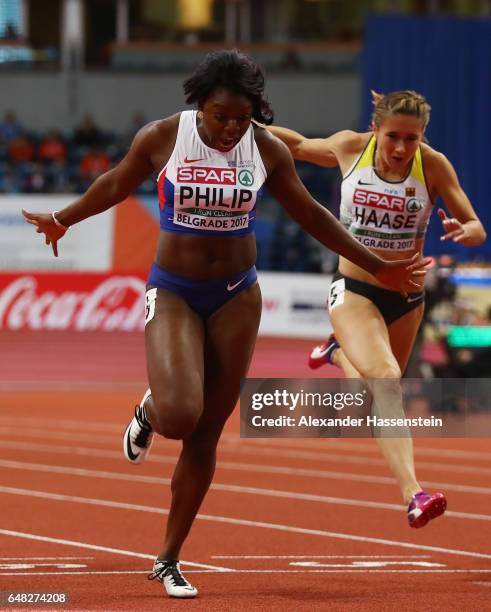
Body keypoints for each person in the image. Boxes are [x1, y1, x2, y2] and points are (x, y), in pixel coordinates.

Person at [22, 56, 429, 599]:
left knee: (207, 431)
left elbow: (310, 214)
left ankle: (168, 557)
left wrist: (379, 266)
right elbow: (117, 183)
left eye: (242, 118)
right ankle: (150, 408)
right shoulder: (165, 135)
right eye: (221, 117)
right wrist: (63, 218)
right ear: (200, 106)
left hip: (239, 294)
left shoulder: (265, 148)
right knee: (178, 415)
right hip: (174, 290)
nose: (231, 128)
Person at [268, 89, 486, 529]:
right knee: (385, 380)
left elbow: (477, 226)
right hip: (355, 291)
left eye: (413, 138)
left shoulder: (434, 165)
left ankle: (336, 353)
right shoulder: (351, 147)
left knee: (374, 395)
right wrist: (241, 123)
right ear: (375, 130)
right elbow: (293, 146)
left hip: (407, 298)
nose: (403, 149)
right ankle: (415, 494)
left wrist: (467, 231)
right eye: (394, 138)